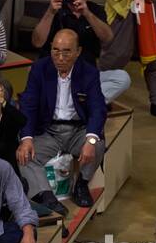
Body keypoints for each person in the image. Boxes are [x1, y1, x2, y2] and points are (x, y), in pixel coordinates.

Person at [17, 29, 108, 215]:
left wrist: (90, 141)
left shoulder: (89, 72)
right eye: (55, 50)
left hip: (78, 130)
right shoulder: (40, 68)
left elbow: (98, 109)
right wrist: (26, 138)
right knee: (24, 155)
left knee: (97, 144)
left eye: (66, 51)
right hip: (48, 130)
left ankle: (81, 183)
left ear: (78, 51)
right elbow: (28, 104)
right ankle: (46, 196)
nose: (60, 57)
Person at [31, 0, 131, 103]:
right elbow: (37, 42)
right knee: (37, 74)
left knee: (122, 78)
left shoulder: (95, 10)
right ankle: (83, 103)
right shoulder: (54, 8)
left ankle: (78, 103)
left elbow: (108, 38)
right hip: (56, 73)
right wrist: (50, 12)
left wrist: (87, 13)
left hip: (85, 74)